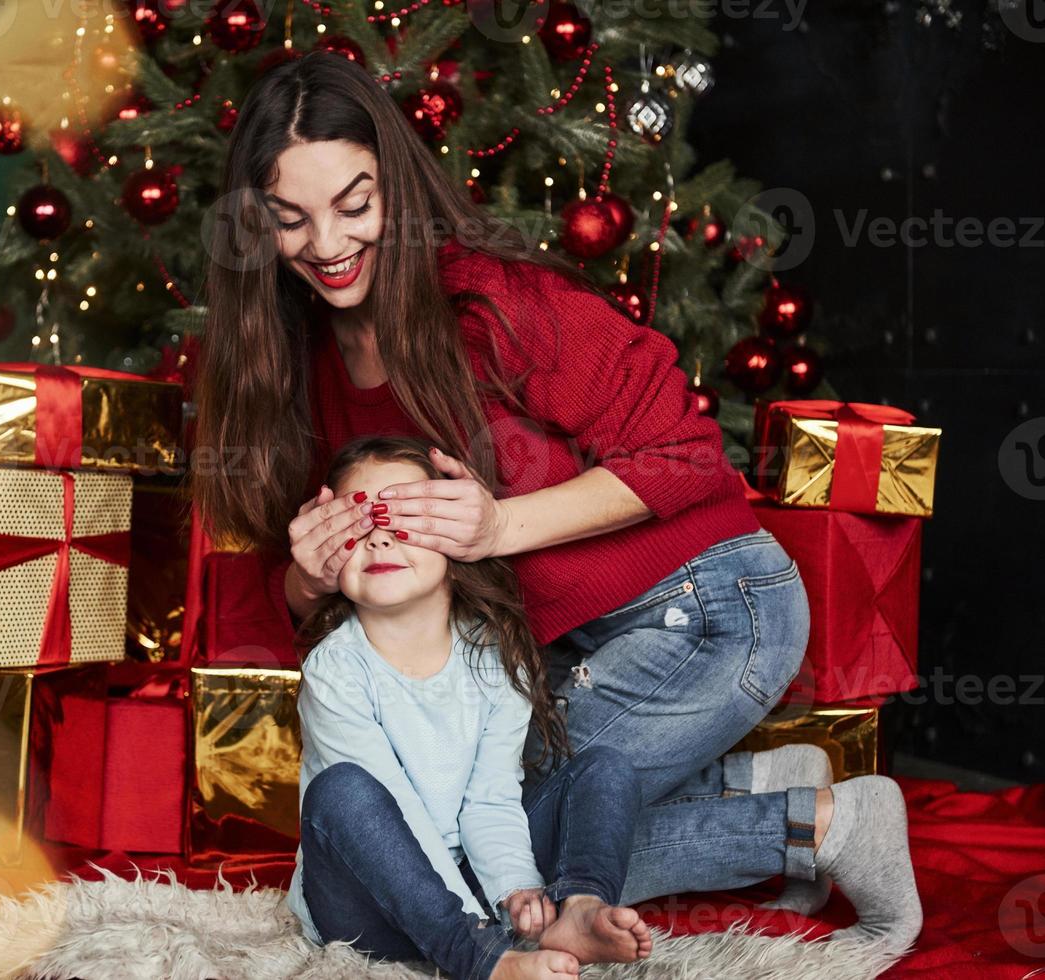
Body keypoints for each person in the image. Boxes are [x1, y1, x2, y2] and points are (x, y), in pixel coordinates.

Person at [193, 50, 922, 952]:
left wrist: (500, 525)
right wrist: (311, 578)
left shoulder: (492, 303)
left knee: (470, 852)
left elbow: (688, 453)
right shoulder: (297, 363)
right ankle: (753, 795)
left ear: (398, 193)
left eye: (355, 206)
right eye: (290, 220)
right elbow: (309, 598)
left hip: (710, 608)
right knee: (463, 820)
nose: (330, 245)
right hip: (558, 659)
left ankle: (821, 827)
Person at [287, 435, 653, 980]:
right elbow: (398, 816)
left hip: (469, 881)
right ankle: (483, 963)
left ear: (456, 544)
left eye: (402, 520)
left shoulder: (496, 657)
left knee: (607, 768)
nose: (380, 542)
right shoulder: (334, 671)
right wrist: (479, 934)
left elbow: (490, 801)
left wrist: (516, 892)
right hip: (366, 902)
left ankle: (577, 909)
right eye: (358, 527)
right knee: (341, 790)